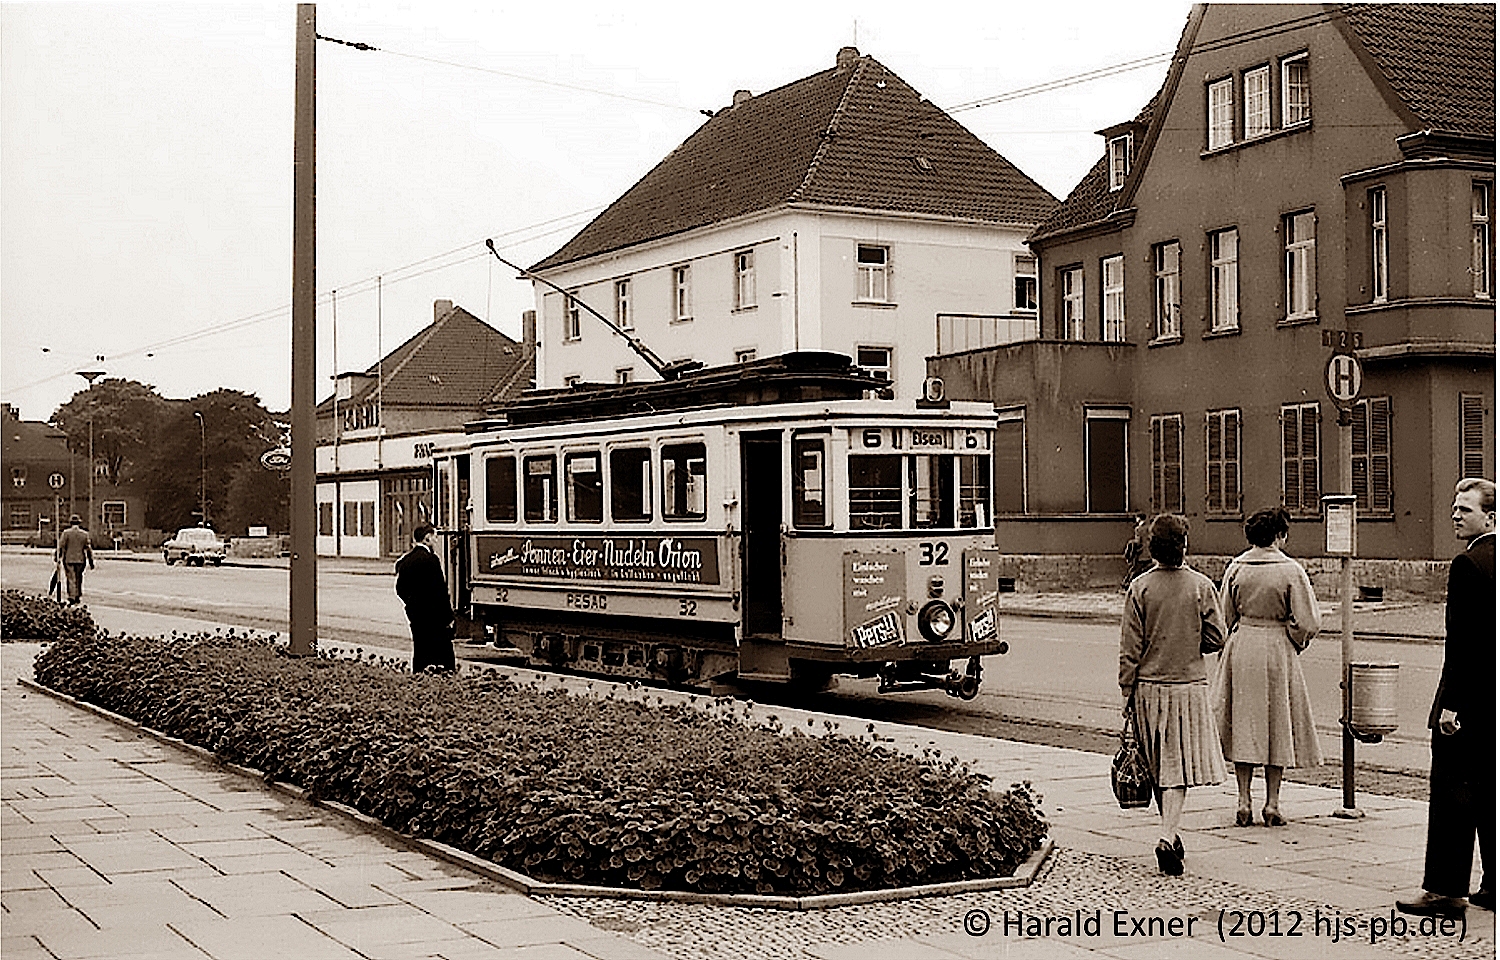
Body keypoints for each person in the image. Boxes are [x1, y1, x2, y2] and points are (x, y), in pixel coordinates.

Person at [1398, 477, 1496, 919]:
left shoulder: (1469, 563)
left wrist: (1451, 705)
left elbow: (1464, 644)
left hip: (1469, 703)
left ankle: (1444, 891)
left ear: (1490, 517)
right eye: (1455, 508)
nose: (1456, 515)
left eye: (1466, 510)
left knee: (1453, 795)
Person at [1119, 514, 1227, 876]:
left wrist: (1126, 689)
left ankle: (1171, 832)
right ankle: (1167, 837)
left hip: (1149, 687)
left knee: (1160, 766)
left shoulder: (1139, 588)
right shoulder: (1200, 586)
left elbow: (1129, 648)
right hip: (1188, 688)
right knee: (1177, 769)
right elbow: (1217, 636)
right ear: (1184, 545)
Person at [1213, 507, 1322, 828]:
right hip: (1277, 649)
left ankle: (1243, 800)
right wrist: (1293, 639)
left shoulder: (1237, 567)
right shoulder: (1291, 571)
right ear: (1279, 536)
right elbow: (1308, 621)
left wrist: (1235, 638)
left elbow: (1224, 617)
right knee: (1278, 725)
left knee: (1244, 725)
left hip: (1243, 644)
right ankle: (1272, 803)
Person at [394, 523, 457, 674]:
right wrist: (449, 616)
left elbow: (400, 589)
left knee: (420, 651)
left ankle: (420, 680)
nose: (436, 540)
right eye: (435, 536)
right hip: (435, 618)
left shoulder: (406, 561)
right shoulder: (431, 560)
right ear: (427, 538)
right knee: (443, 655)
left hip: (416, 616)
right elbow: (440, 591)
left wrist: (412, 605)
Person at [54, 515, 94, 605]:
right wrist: (91, 561)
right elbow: (88, 548)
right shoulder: (84, 534)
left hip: (69, 559)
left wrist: (57, 557)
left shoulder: (66, 533)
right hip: (81, 560)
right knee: (79, 577)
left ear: (70, 523)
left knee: (71, 578)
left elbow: (61, 546)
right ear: (79, 523)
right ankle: (78, 595)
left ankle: (72, 596)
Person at [1122, 513, 1153, 588]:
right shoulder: (1149, 528)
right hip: (1149, 553)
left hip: (1141, 554)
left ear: (1139, 518)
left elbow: (1138, 542)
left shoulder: (1138, 529)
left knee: (1135, 570)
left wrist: (1131, 545)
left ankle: (1127, 584)